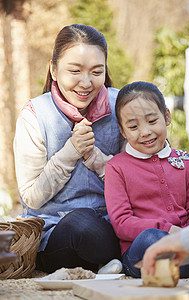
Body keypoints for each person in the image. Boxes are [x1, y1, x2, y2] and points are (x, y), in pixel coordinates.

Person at [14, 24, 125, 274]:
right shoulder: (35, 115)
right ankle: (117, 259)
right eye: (74, 70)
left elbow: (141, 179)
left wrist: (96, 159)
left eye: (97, 72)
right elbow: (31, 196)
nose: (85, 83)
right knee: (81, 224)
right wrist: (70, 151)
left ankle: (112, 259)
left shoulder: (123, 106)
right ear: (54, 69)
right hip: (59, 234)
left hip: (117, 222)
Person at [105, 81, 189, 278]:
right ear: (123, 131)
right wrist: (167, 230)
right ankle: (187, 267)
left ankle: (184, 265)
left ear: (166, 116)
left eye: (151, 121)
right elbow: (122, 222)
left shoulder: (185, 160)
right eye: (133, 126)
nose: (145, 132)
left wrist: (187, 237)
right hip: (141, 249)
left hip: (185, 245)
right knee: (152, 238)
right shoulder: (116, 167)